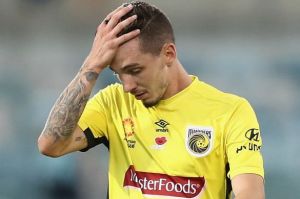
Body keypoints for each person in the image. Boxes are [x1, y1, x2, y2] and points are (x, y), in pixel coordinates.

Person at [37, 1, 265, 198]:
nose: (127, 86)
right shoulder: (113, 103)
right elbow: (50, 145)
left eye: (135, 70)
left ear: (168, 54)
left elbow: (249, 193)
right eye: (117, 74)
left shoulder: (231, 111)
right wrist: (92, 65)